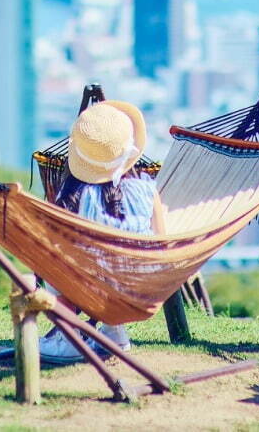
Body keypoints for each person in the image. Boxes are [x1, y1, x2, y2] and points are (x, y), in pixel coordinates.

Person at [37, 99, 167, 363]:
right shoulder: (147, 190)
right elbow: (162, 243)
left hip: (91, 291)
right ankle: (113, 332)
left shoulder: (73, 196)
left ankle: (69, 338)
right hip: (139, 290)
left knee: (55, 264)